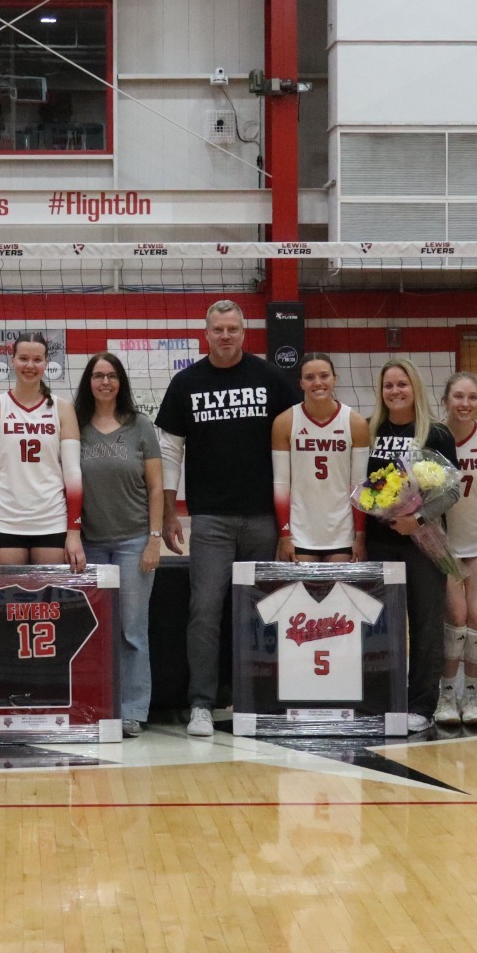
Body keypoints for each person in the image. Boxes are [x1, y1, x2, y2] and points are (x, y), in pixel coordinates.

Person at [155, 300, 301, 738]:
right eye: (218, 329)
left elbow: (298, 439)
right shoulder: (187, 383)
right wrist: (167, 512)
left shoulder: (271, 378)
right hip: (211, 519)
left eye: (233, 329)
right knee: (204, 610)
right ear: (206, 333)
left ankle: (259, 696)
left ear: (244, 333)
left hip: (264, 518)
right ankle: (202, 702)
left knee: (265, 609)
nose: (225, 335)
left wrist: (291, 518)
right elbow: (169, 452)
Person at [75, 351, 164, 736]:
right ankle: (96, 703)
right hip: (90, 544)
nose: (105, 382)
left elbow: (157, 486)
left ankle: (132, 710)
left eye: (112, 376)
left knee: (131, 629)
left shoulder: (140, 425)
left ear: (121, 382)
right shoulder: (75, 425)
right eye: (98, 376)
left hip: (133, 542)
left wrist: (154, 539)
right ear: (89, 382)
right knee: (93, 630)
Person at [365, 357, 456, 729]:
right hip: (379, 541)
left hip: (423, 540)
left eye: (401, 384)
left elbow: (450, 492)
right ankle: (384, 697)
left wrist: (415, 519)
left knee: (426, 623)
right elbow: (365, 488)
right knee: (382, 624)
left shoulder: (435, 433)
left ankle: (421, 705)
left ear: (414, 387)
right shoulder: (370, 430)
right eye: (389, 385)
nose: (395, 391)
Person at [0, 334, 85, 574]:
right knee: (9, 605)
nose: (30, 366)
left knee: (49, 604)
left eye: (37, 359)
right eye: (23, 358)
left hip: (52, 519)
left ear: (46, 364)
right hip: (4, 519)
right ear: (12, 361)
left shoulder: (63, 409)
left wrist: (73, 533)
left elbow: (73, 475)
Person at [438, 371, 477, 727]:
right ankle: (446, 695)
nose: (464, 404)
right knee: (456, 619)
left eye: (471, 398)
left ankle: (472, 698)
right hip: (443, 543)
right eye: (458, 397)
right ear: (446, 399)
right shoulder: (432, 436)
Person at [271, 352, 370, 563]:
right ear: (301, 383)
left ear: (335, 378)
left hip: (342, 531)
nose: (318, 383)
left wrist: (359, 536)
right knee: (303, 591)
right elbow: (281, 485)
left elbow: (359, 485)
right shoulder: (285, 422)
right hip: (300, 531)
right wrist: (285, 535)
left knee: (338, 591)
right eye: (309, 377)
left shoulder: (356, 423)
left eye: (324, 376)